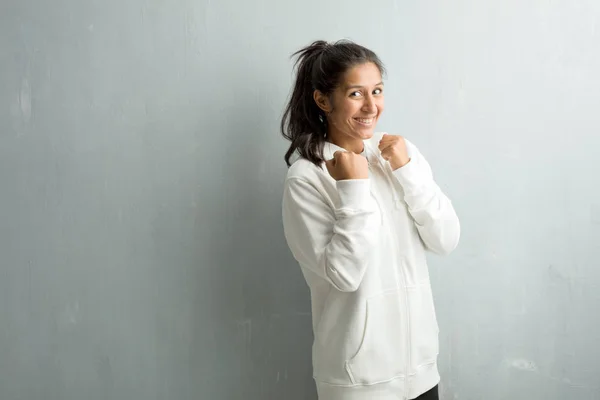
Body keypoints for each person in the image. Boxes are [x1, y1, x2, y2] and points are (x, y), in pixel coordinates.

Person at [280, 39, 460, 400]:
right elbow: (345, 275)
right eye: (355, 93)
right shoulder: (307, 177)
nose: (371, 106)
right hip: (357, 383)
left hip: (422, 372)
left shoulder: (398, 154)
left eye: (376, 91)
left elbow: (445, 239)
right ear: (322, 100)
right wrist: (353, 187)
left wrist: (407, 172)